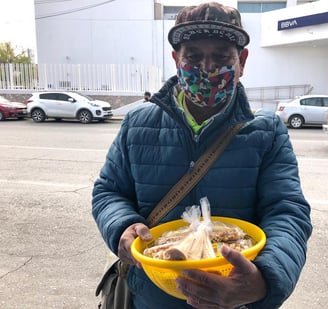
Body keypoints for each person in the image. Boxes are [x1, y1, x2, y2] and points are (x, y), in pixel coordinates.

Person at [92, 2, 312, 308]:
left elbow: (287, 212)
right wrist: (122, 227)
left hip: (231, 299)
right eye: (193, 56)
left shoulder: (267, 131)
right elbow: (109, 191)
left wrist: (264, 279)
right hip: (151, 297)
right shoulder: (137, 123)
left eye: (221, 57)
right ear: (176, 59)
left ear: (242, 61)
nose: (207, 68)